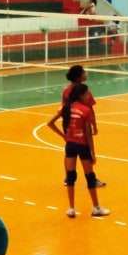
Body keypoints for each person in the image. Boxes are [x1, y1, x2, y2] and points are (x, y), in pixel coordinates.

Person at [47, 83, 111, 218]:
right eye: (87, 94)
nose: (89, 96)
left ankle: (71, 208)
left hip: (70, 145)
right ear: (81, 95)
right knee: (90, 177)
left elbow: (50, 123)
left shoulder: (66, 107)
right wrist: (93, 152)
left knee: (70, 177)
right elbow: (88, 134)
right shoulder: (85, 110)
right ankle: (96, 208)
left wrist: (64, 136)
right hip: (83, 146)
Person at [62, 65, 105, 186]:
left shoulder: (66, 90)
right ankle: (91, 177)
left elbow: (63, 110)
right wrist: (94, 126)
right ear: (79, 76)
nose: (86, 74)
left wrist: (65, 129)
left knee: (69, 151)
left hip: (69, 125)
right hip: (81, 125)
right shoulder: (85, 92)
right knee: (86, 151)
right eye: (84, 72)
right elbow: (90, 110)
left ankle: (68, 177)